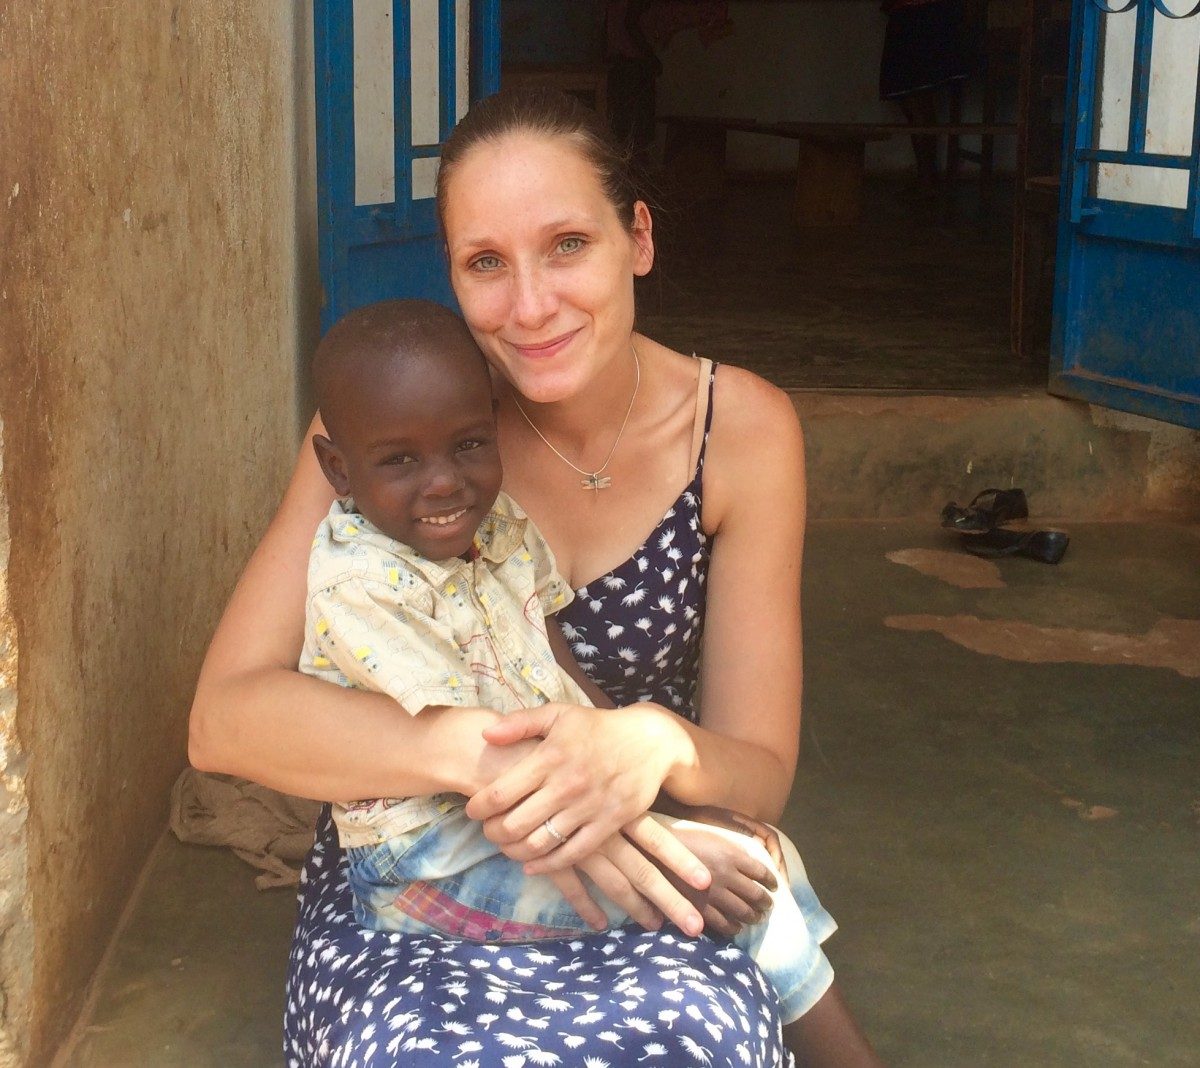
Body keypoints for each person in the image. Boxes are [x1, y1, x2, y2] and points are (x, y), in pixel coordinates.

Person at [189, 87, 882, 1066]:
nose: (530, 306)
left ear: (638, 238)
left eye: (568, 245)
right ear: (451, 275)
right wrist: (479, 757)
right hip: (420, 882)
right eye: (486, 263)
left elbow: (757, 775)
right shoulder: (392, 435)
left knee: (696, 1032)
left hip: (641, 837)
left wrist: (650, 743)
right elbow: (225, 720)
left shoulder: (739, 433)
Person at [303, 297, 837, 1025]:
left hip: (538, 808)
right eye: (400, 460)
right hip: (432, 858)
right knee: (716, 888)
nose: (443, 481)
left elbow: (557, 663)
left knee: (756, 853)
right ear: (337, 468)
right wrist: (651, 839)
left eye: (468, 444)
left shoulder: (498, 528)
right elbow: (484, 766)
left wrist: (634, 776)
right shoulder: (361, 584)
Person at [879, 0, 977, 188]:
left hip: (923, 17)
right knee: (912, 103)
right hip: (908, 18)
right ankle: (926, 174)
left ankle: (927, 177)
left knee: (918, 101)